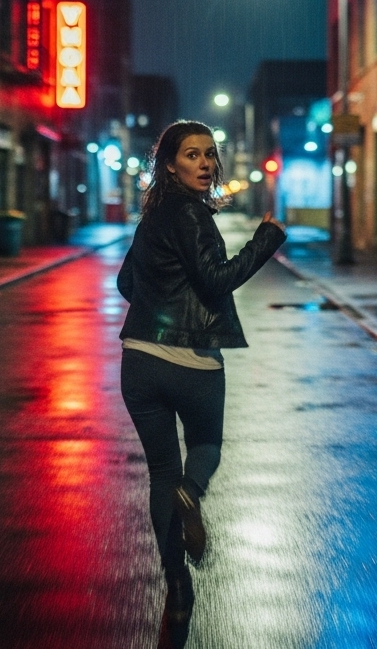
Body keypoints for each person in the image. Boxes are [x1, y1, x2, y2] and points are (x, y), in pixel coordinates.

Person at [117, 120, 286, 633]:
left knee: (159, 473)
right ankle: (193, 492)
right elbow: (216, 281)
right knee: (205, 447)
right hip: (192, 363)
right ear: (170, 163)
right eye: (193, 155)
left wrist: (159, 311)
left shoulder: (152, 219)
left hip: (139, 361)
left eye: (210, 154)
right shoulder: (192, 216)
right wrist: (266, 240)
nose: (206, 163)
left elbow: (127, 282)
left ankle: (176, 588)